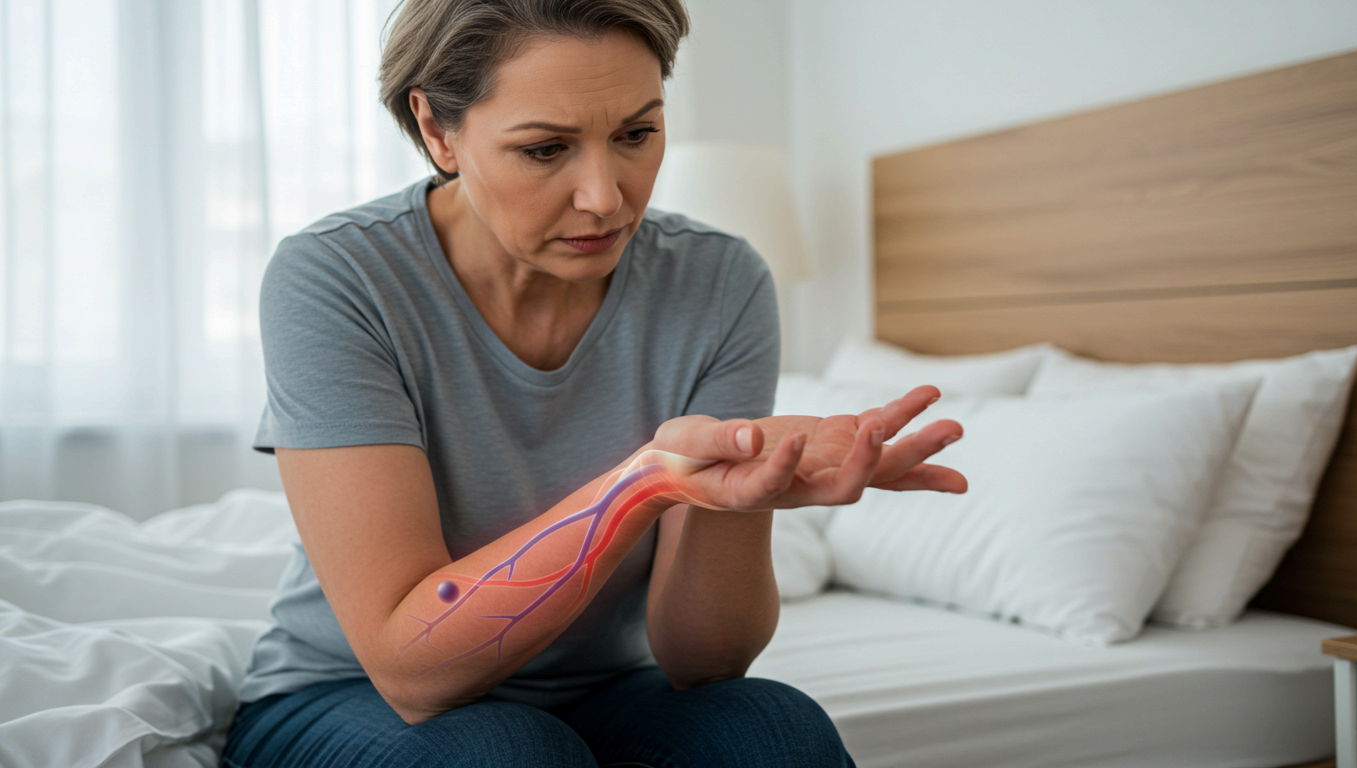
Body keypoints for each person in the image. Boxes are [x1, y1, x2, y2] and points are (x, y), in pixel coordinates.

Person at [221, 1, 966, 766]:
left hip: (603, 689)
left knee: (773, 729)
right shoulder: (339, 276)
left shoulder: (721, 281)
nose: (605, 198)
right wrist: (644, 484)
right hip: (349, 692)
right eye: (545, 150)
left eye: (636, 135)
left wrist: (741, 491)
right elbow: (412, 671)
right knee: (510, 754)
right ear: (438, 130)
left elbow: (703, 663)